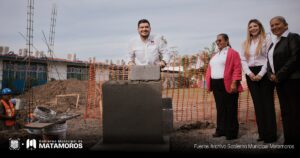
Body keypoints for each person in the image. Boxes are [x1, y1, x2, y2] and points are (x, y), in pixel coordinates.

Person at [240, 19, 277, 143]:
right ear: (248, 29)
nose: (253, 28)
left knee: (267, 104)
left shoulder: (267, 39)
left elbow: (269, 58)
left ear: (260, 27)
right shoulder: (245, 43)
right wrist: (250, 74)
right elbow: (243, 61)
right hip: (251, 74)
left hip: (265, 72)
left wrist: (261, 74)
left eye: (255, 26)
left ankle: (271, 135)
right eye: (250, 27)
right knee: (258, 105)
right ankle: (263, 133)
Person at [267, 16, 300, 146]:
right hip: (279, 82)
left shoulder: (293, 37)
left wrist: (278, 75)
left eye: (277, 24)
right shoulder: (274, 43)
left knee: (296, 112)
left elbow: (295, 58)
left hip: (293, 81)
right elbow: (269, 61)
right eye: (272, 25)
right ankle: (289, 142)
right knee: (285, 112)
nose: (274, 27)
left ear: (285, 25)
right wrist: (270, 74)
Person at [205, 33, 243, 140]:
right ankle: (221, 130)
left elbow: (237, 68)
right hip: (216, 84)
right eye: (216, 41)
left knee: (230, 108)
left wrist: (235, 82)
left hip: (228, 83)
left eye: (220, 40)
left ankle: (231, 132)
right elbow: (210, 70)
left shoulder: (233, 53)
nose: (218, 42)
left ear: (227, 40)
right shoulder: (214, 55)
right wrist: (208, 84)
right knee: (220, 108)